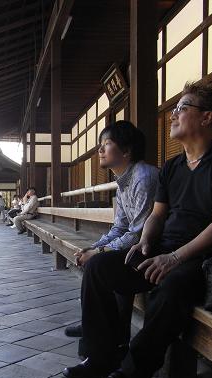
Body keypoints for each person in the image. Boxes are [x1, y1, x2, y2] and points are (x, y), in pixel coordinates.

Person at [63, 82, 212, 378]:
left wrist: (175, 258)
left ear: (207, 117)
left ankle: (133, 372)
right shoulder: (173, 167)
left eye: (182, 108)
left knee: (172, 285)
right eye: (175, 108)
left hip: (204, 259)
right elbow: (157, 214)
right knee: (99, 267)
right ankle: (100, 356)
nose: (173, 114)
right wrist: (146, 242)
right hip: (162, 249)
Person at [65, 121, 159, 353]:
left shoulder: (143, 177)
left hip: (154, 250)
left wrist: (99, 252)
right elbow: (119, 228)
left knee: (102, 265)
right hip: (137, 249)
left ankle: (100, 338)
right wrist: (93, 248)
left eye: (106, 144)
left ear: (126, 151)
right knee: (99, 259)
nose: (100, 150)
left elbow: (138, 234)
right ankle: (105, 332)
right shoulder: (123, 181)